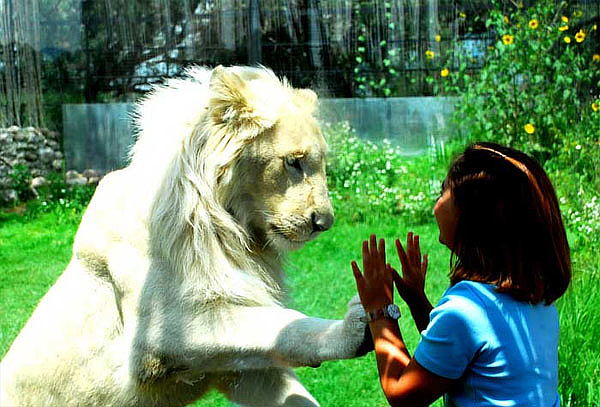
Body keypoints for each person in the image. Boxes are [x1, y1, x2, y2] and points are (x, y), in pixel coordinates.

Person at [351, 142, 571, 407]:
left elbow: (402, 394)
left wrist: (380, 309)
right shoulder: (536, 298)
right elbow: (460, 356)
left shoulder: (466, 310)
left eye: (445, 189)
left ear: (474, 217)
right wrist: (418, 300)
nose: (437, 199)